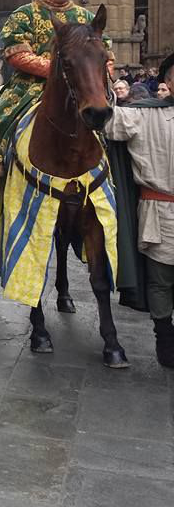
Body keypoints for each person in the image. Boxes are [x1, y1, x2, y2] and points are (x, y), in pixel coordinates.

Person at [0, 0, 104, 226]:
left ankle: (110, 186)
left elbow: (105, 55)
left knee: (108, 129)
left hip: (79, 88)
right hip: (29, 87)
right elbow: (17, 56)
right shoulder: (24, 14)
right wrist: (58, 69)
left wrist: (97, 74)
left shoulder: (86, 17)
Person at [103, 51, 174, 366]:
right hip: (160, 213)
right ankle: (165, 338)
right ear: (168, 82)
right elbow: (106, 121)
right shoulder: (144, 115)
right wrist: (102, 79)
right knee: (161, 280)